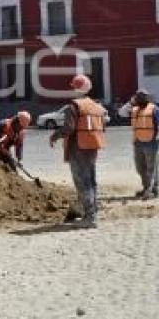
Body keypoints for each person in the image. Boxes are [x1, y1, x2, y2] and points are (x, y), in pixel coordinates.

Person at [49, 74, 107, 228]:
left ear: (75, 88)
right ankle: (92, 212)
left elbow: (68, 128)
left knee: (82, 183)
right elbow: (103, 127)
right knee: (91, 181)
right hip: (92, 147)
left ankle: (90, 217)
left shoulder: (73, 106)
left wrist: (54, 136)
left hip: (78, 149)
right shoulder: (96, 106)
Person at [117, 89, 159, 200]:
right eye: (138, 96)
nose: (140, 98)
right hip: (138, 142)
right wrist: (130, 102)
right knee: (140, 167)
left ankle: (152, 190)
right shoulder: (134, 109)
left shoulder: (154, 109)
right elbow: (121, 113)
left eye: (143, 96)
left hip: (151, 142)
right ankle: (146, 187)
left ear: (147, 98)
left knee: (151, 168)